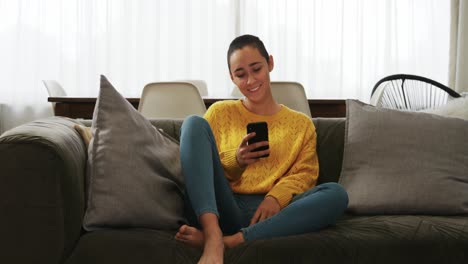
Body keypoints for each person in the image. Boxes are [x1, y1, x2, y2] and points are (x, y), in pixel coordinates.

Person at [175, 34, 348, 264]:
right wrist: (236, 161)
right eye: (240, 74)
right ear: (232, 78)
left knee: (336, 195)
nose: (250, 80)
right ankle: (214, 234)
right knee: (193, 123)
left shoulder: (301, 124)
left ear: (270, 64)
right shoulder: (220, 113)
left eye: (256, 69)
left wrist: (276, 197)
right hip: (224, 207)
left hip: (273, 214)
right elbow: (201, 168)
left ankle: (230, 241)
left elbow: (305, 175)